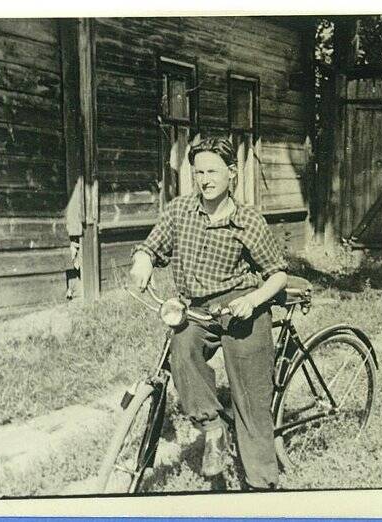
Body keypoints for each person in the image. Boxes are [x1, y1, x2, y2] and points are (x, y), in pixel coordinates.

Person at [129, 137, 288, 490]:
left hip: (241, 307)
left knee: (249, 395)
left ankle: (262, 486)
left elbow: (278, 272)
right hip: (198, 309)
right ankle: (213, 429)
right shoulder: (179, 211)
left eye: (212, 171)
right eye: (198, 171)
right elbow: (151, 246)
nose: (205, 179)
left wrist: (255, 300)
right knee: (182, 349)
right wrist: (142, 262)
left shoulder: (248, 220)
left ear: (232, 174)